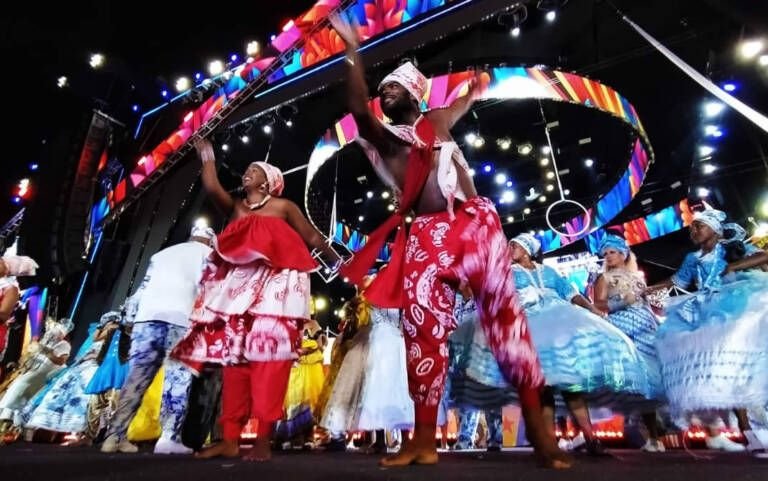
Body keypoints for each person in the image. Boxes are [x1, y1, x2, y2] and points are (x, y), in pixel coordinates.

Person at [330, 14, 569, 468]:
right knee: (422, 333)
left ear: (415, 93)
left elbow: (463, 103)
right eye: (382, 89)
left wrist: (476, 88)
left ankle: (543, 437)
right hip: (424, 232)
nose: (385, 93)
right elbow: (360, 111)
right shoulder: (387, 139)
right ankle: (423, 442)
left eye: (394, 87)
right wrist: (353, 51)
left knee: (506, 322)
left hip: (474, 224)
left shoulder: (438, 119)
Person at [171, 138, 338, 461]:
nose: (247, 173)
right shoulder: (236, 208)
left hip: (277, 290)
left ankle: (263, 439)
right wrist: (207, 157)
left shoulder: (283, 206)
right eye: (246, 170)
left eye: (254, 170)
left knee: (269, 362)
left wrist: (342, 264)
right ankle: (231, 438)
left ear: (269, 182)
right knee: (235, 364)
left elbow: (313, 237)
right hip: (237, 294)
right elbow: (211, 185)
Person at [508, 233, 650, 455]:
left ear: (527, 250)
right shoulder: (508, 273)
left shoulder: (549, 272)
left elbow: (571, 294)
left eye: (514, 245)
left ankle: (591, 438)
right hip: (532, 328)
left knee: (571, 384)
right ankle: (549, 444)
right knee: (543, 388)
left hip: (558, 326)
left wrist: (592, 310)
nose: (510, 248)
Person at [646, 209, 768, 455]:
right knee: (726, 371)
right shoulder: (693, 258)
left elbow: (764, 256)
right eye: (692, 227)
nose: (694, 231)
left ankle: (754, 430)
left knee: (745, 369)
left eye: (699, 226)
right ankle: (749, 434)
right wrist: (647, 290)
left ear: (715, 229)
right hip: (706, 313)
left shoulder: (732, 248)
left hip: (734, 307)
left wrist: (732, 267)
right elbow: (676, 282)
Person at [101, 226, 215, 455]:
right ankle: (168, 438)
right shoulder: (209, 256)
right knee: (178, 379)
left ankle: (114, 437)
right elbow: (208, 289)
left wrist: (130, 320)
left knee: (136, 378)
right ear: (210, 242)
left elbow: (142, 289)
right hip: (182, 320)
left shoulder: (161, 255)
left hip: (147, 319)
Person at [592, 235, 665, 452]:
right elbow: (599, 304)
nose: (608, 257)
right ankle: (630, 425)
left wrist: (652, 302)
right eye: (605, 254)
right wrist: (622, 301)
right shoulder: (604, 278)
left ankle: (653, 436)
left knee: (652, 381)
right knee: (633, 380)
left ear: (623, 253)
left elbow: (646, 301)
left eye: (611, 252)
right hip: (622, 329)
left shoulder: (637, 276)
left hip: (646, 327)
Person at [0, 317, 72, 436]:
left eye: (56, 332)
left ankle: (16, 424)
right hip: (33, 371)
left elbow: (60, 360)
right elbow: (31, 357)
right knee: (15, 390)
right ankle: (8, 423)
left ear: (61, 334)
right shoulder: (43, 342)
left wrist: (46, 351)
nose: (52, 334)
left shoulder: (63, 345)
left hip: (45, 374)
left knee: (20, 389)